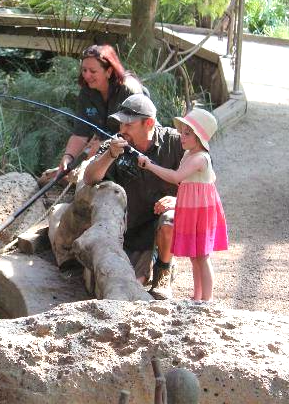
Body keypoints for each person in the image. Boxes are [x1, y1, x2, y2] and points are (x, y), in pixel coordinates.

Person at [83, 93, 185, 299]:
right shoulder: (115, 145)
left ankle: (163, 272)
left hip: (160, 224)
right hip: (128, 229)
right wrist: (109, 154)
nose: (122, 130)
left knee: (170, 219)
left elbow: (204, 182)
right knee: (118, 284)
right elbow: (89, 178)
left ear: (148, 123)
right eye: (121, 124)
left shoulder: (176, 143)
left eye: (129, 125)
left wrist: (179, 201)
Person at [137, 108, 228, 301]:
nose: (182, 137)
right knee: (195, 256)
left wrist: (149, 165)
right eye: (182, 132)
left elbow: (176, 177)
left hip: (200, 211)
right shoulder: (189, 155)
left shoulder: (200, 158)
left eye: (187, 133)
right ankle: (197, 298)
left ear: (200, 137)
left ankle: (207, 300)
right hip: (192, 208)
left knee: (202, 256)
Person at [57, 44, 146, 174]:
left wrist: (103, 146)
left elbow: (137, 133)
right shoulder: (86, 92)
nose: (87, 76)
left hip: (136, 152)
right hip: (105, 155)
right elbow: (80, 134)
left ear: (109, 71)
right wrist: (68, 157)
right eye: (84, 70)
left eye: (92, 71)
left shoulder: (128, 89)